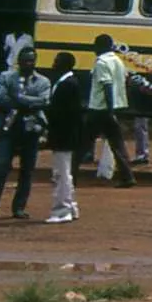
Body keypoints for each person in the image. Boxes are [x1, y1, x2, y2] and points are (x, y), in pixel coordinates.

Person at [0, 46, 51, 221]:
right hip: (9, 128)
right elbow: (2, 100)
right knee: (0, 167)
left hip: (31, 130)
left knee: (27, 171)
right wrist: (29, 103)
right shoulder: (6, 77)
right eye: (25, 60)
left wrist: (18, 99)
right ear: (19, 61)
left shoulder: (43, 81)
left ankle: (19, 208)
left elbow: (44, 102)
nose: (28, 63)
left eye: (31, 60)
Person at [85, 34, 136, 188]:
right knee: (117, 144)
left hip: (100, 109)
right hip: (114, 107)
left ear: (100, 46)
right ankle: (127, 176)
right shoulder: (118, 61)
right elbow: (125, 82)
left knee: (82, 142)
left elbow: (107, 86)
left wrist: (109, 109)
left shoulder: (101, 62)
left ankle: (70, 175)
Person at [45, 51, 84, 223]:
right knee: (64, 173)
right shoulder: (66, 82)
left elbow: (66, 113)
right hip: (65, 135)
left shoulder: (68, 84)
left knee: (61, 174)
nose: (53, 64)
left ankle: (62, 210)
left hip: (64, 135)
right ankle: (71, 207)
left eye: (56, 61)